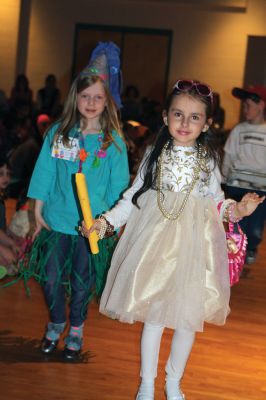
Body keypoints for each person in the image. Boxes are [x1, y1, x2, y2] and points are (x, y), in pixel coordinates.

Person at [81, 79, 264, 400]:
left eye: (194, 117)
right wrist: (105, 223)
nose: (185, 122)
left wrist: (240, 210)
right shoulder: (154, 153)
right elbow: (132, 197)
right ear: (165, 117)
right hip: (155, 243)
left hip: (194, 246)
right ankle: (147, 385)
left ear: (207, 124)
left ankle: (173, 383)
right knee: (154, 318)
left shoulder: (208, 160)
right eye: (178, 114)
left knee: (186, 321)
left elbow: (218, 203)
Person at [25, 43, 129, 361]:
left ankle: (76, 330)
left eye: (98, 97)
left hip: (92, 227)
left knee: (82, 282)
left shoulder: (113, 141)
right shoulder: (59, 132)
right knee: (52, 277)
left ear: (107, 100)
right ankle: (56, 322)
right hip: (57, 219)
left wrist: (111, 223)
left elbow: (119, 187)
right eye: (85, 96)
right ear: (75, 97)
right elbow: (44, 170)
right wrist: (37, 207)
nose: (91, 103)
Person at [222, 86, 266, 264]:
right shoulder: (238, 130)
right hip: (237, 185)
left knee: (254, 230)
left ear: (261, 105)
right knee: (237, 226)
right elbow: (229, 156)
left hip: (260, 190)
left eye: (248, 105)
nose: (244, 109)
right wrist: (224, 179)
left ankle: (251, 247)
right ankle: (235, 257)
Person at [0, 156, 22, 276]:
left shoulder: (1, 199)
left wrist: (12, 239)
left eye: (8, 174)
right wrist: (7, 246)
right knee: (8, 259)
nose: (6, 178)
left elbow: (2, 228)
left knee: (18, 247)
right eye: (1, 174)